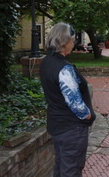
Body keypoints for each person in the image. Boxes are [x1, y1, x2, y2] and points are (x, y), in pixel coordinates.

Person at [39, 22, 96, 177]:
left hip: (57, 126)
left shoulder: (46, 62)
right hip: (71, 130)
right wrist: (89, 115)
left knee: (61, 167)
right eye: (73, 40)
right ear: (65, 41)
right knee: (71, 170)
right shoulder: (64, 68)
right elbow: (76, 105)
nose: (74, 43)